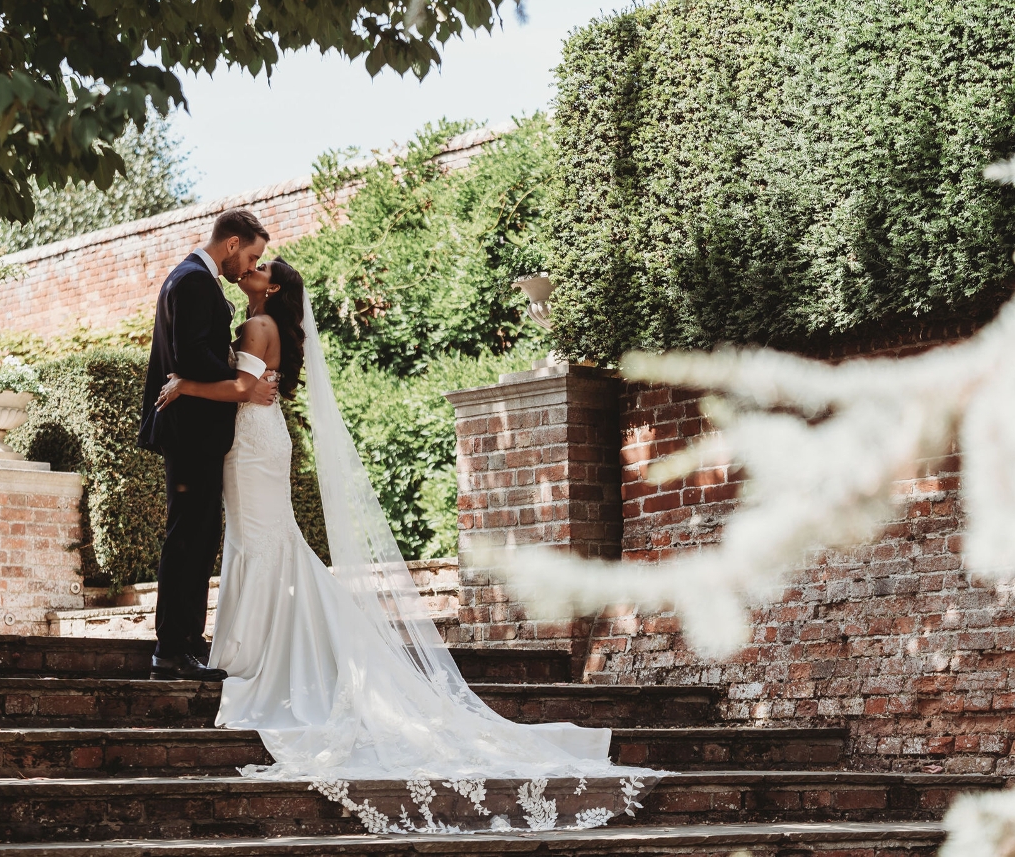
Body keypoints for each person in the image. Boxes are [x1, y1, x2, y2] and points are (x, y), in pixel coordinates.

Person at [153, 258, 662, 832]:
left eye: (258, 267)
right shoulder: (260, 326)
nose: (247, 268)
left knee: (264, 542)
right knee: (265, 542)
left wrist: (185, 384)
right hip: (258, 441)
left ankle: (258, 653)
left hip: (251, 444)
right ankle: (276, 644)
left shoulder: (256, 328)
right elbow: (254, 386)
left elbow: (245, 387)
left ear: (270, 288)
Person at [138, 208, 278, 682]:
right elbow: (189, 355)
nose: (251, 265)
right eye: (253, 255)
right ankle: (173, 650)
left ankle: (181, 646)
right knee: (189, 540)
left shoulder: (194, 277)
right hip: (190, 432)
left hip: (194, 431)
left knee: (196, 539)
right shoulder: (194, 281)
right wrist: (243, 382)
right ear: (233, 244)